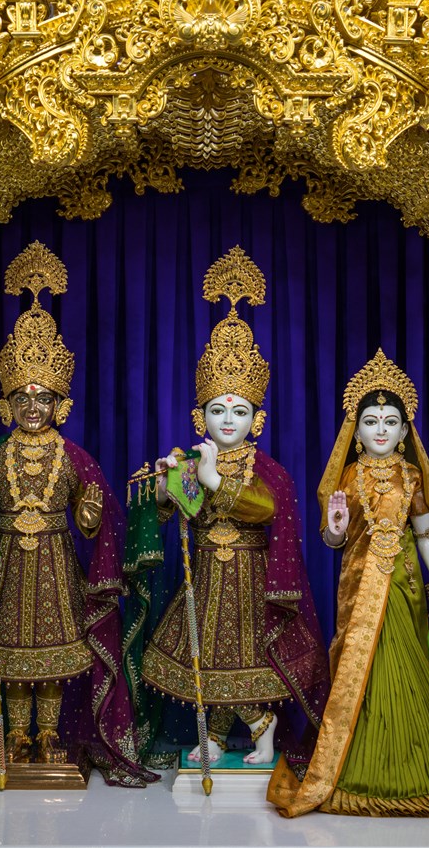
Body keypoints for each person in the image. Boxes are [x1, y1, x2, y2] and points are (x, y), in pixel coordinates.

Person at [0, 241, 156, 787]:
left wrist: (89, 510)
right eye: (22, 398)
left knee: (53, 658)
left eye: (42, 398)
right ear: (7, 404)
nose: (31, 407)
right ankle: (16, 736)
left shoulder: (74, 456)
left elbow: (94, 518)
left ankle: (47, 735)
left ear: (59, 404)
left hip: (53, 564)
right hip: (6, 569)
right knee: (10, 659)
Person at [268, 349, 429, 816]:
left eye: (391, 422)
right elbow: (333, 541)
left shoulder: (411, 477)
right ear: (356, 433)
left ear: (405, 432)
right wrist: (334, 528)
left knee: (405, 665)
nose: (381, 431)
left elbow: (427, 535)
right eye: (371, 422)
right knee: (360, 670)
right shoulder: (348, 477)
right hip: (357, 589)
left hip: (405, 588)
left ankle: (416, 764)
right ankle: (356, 763)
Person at [138, 246, 329, 767]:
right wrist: (166, 486)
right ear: (200, 416)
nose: (228, 420)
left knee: (241, 652)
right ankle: (218, 733)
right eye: (218, 410)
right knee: (206, 651)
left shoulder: (268, 470)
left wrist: (210, 478)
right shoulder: (190, 456)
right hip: (206, 572)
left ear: (256, 420)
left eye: (239, 411)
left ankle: (263, 728)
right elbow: (174, 512)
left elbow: (265, 510)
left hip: (249, 578)